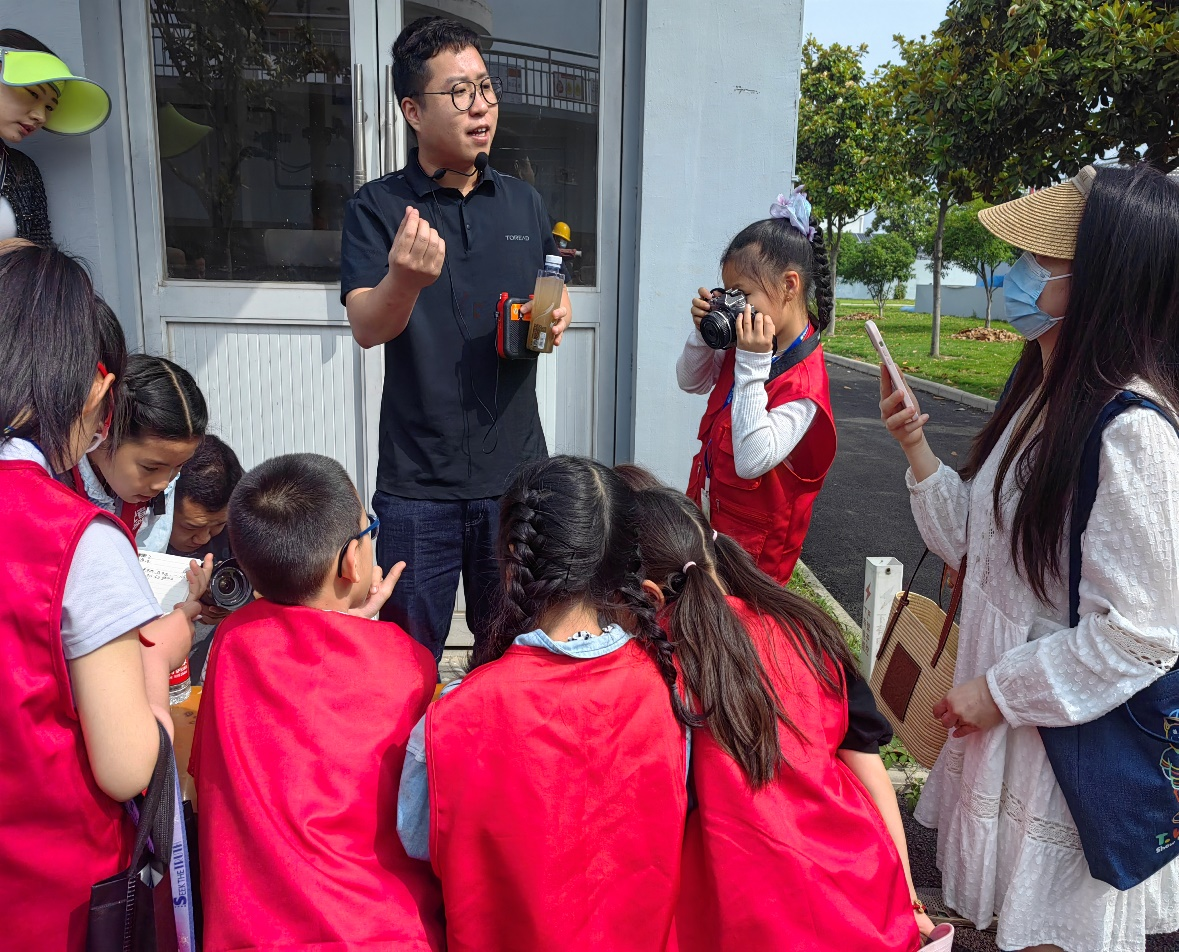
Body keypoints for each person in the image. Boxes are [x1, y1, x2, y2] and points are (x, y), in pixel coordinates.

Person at [879, 164, 1179, 952]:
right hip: (1010, 728)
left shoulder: (1131, 433)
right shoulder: (1042, 397)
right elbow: (986, 554)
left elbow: (1141, 636)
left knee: (1049, 933)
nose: (1012, 274)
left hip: (1063, 758)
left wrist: (1001, 692)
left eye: (1035, 260)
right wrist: (914, 443)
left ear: (1096, 281)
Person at [340, 15, 572, 665]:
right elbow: (367, 327)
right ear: (413, 110)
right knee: (406, 662)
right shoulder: (377, 208)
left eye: (487, 88)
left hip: (516, 483)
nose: (481, 107)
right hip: (418, 487)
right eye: (460, 92)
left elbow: (538, 308)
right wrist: (404, 281)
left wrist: (552, 318)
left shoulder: (523, 203)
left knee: (514, 659)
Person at [0, 243, 205, 951]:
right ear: (93, 393)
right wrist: (161, 665)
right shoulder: (77, 538)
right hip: (51, 896)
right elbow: (123, 763)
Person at [397, 456, 690, 951]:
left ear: (512, 557)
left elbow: (415, 837)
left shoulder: (452, 716)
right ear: (625, 559)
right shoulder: (669, 695)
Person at [629, 482, 923, 951]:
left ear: (645, 596)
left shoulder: (651, 670)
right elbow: (867, 766)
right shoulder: (804, 629)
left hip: (742, 921)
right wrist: (910, 898)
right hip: (864, 902)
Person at [191, 453, 444, 951]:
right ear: (353, 561)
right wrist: (365, 626)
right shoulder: (410, 665)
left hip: (251, 935)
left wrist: (352, 620)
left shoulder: (232, 644)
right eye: (369, 529)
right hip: (380, 934)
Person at [680, 186, 837, 584]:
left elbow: (752, 458)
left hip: (754, 572)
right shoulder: (748, 341)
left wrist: (752, 360)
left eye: (744, 294)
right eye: (729, 294)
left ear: (789, 285)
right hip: (710, 530)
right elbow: (690, 380)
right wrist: (703, 332)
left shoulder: (804, 385)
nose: (737, 306)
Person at [74, 352, 207, 551]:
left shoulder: (160, 485)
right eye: (151, 468)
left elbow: (148, 554)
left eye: (179, 466)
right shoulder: (53, 484)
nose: (163, 483)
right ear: (104, 432)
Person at [0, 30, 111, 243]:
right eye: (33, 93)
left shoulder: (23, 172)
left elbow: (43, 262)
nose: (41, 116)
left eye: (50, 107)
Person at [168, 433, 244, 683]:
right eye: (190, 527)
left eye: (216, 526)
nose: (202, 538)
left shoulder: (239, 529)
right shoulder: (141, 536)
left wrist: (231, 606)